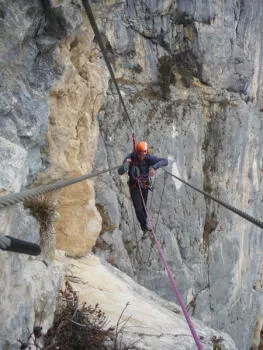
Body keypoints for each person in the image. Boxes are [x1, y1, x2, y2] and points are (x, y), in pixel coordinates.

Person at [118, 141, 168, 237]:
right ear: (137, 152)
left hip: (144, 185)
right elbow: (120, 171)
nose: (142, 157)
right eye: (140, 154)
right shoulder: (131, 157)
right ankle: (144, 227)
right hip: (134, 186)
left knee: (144, 207)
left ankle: (145, 226)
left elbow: (165, 161)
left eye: (143, 154)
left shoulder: (148, 158)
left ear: (146, 153)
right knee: (138, 208)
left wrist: (154, 167)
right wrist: (125, 166)